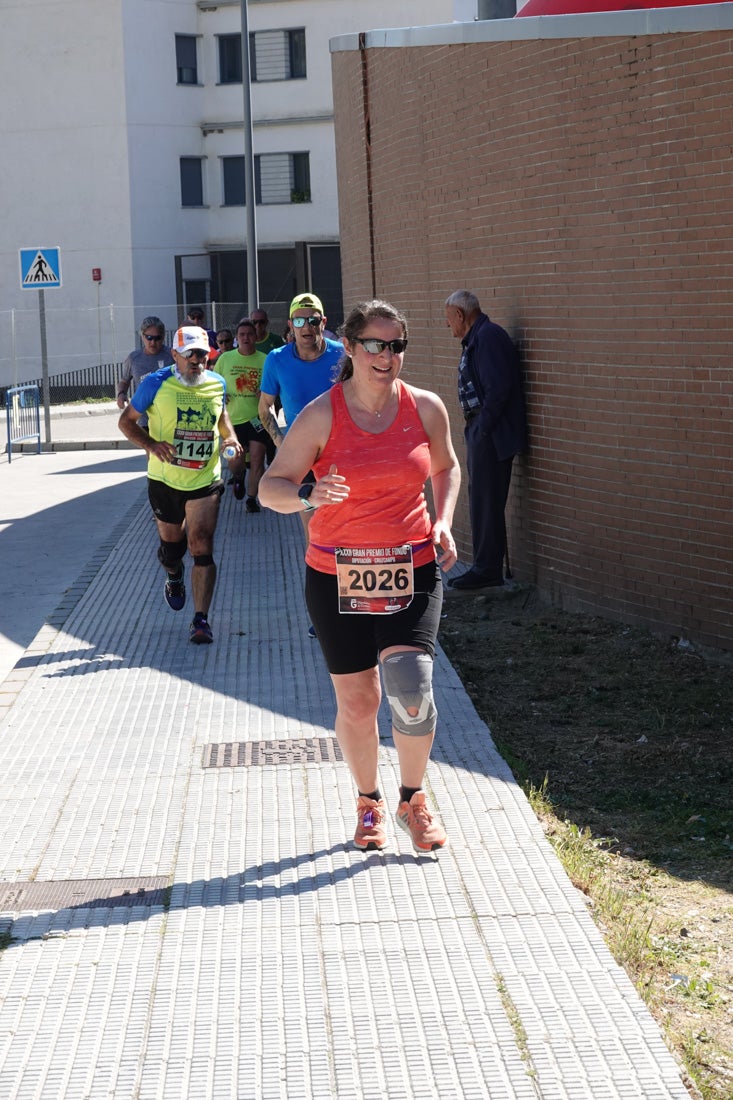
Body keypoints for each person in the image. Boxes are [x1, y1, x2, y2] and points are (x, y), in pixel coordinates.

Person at [259, 300, 461, 855]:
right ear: (349, 348)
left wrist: (442, 521)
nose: (387, 356)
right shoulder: (323, 415)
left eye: (397, 345)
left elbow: (445, 467)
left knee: (412, 689)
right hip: (336, 574)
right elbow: (269, 487)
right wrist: (307, 494)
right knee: (358, 701)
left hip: (412, 566)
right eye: (375, 344)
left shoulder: (425, 407)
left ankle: (413, 800)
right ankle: (368, 802)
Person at [118, 325, 241, 645]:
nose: (196, 361)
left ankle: (201, 620)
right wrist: (151, 444)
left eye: (202, 354)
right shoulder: (155, 384)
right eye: (189, 355)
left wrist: (230, 440)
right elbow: (126, 422)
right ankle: (174, 575)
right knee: (172, 550)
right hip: (165, 480)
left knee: (201, 545)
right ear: (174, 355)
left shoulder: (217, 383)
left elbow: (223, 418)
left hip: (205, 479)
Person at [444, 290, 527, 590]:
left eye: (448, 319)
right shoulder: (478, 337)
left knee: (486, 498)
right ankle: (485, 565)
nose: (448, 326)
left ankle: (487, 568)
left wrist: (484, 428)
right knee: (481, 497)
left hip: (491, 432)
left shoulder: (488, 336)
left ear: (461, 315)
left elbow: (499, 388)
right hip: (482, 429)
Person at [215, 318, 273, 512]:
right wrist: (222, 394)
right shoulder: (225, 359)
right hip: (232, 422)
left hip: (257, 419)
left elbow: (274, 387)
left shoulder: (265, 359)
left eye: (249, 334)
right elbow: (214, 383)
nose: (246, 338)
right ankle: (239, 477)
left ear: (255, 337)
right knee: (235, 460)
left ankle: (251, 498)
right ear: (237, 338)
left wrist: (265, 394)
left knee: (257, 458)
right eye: (242, 335)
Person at [116, 316, 174, 428]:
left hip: (169, 420)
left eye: (157, 338)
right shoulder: (134, 359)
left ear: (163, 337)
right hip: (145, 421)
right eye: (149, 337)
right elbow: (125, 380)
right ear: (142, 336)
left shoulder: (172, 355)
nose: (153, 342)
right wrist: (121, 394)